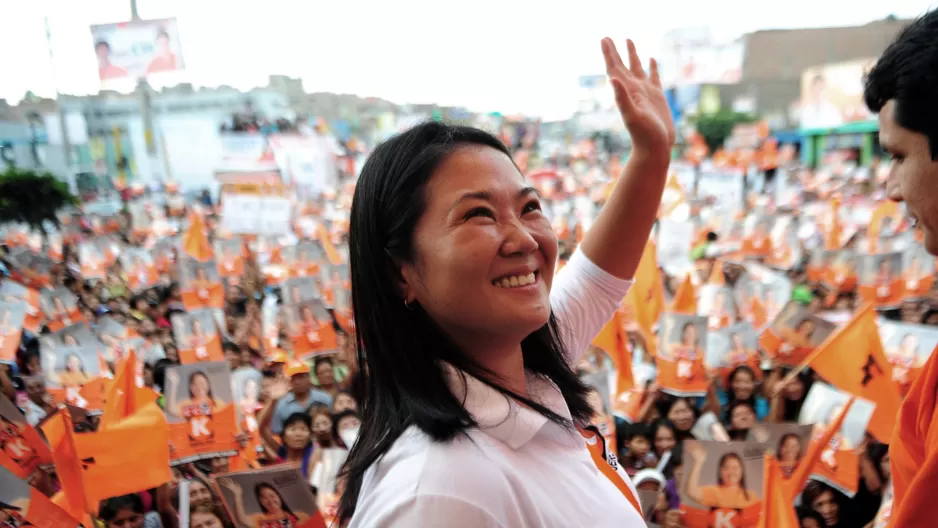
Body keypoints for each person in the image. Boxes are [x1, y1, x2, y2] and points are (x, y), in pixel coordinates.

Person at [339, 38, 673, 526]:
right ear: (399, 272)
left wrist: (652, 153)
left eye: (529, 207)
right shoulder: (438, 493)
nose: (523, 239)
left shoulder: (526, 373)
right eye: (478, 214)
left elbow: (598, 279)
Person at [683, 443, 759, 509]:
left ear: (742, 470)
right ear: (720, 471)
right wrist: (698, 461)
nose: (731, 472)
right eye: (726, 468)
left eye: (735, 468)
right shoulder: (715, 492)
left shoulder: (751, 496)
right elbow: (691, 491)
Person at [219, 479, 310, 528]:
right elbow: (242, 520)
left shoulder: (300, 516)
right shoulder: (260, 519)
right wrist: (237, 495)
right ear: (261, 502)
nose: (270, 501)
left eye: (272, 495)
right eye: (265, 498)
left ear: (279, 496)